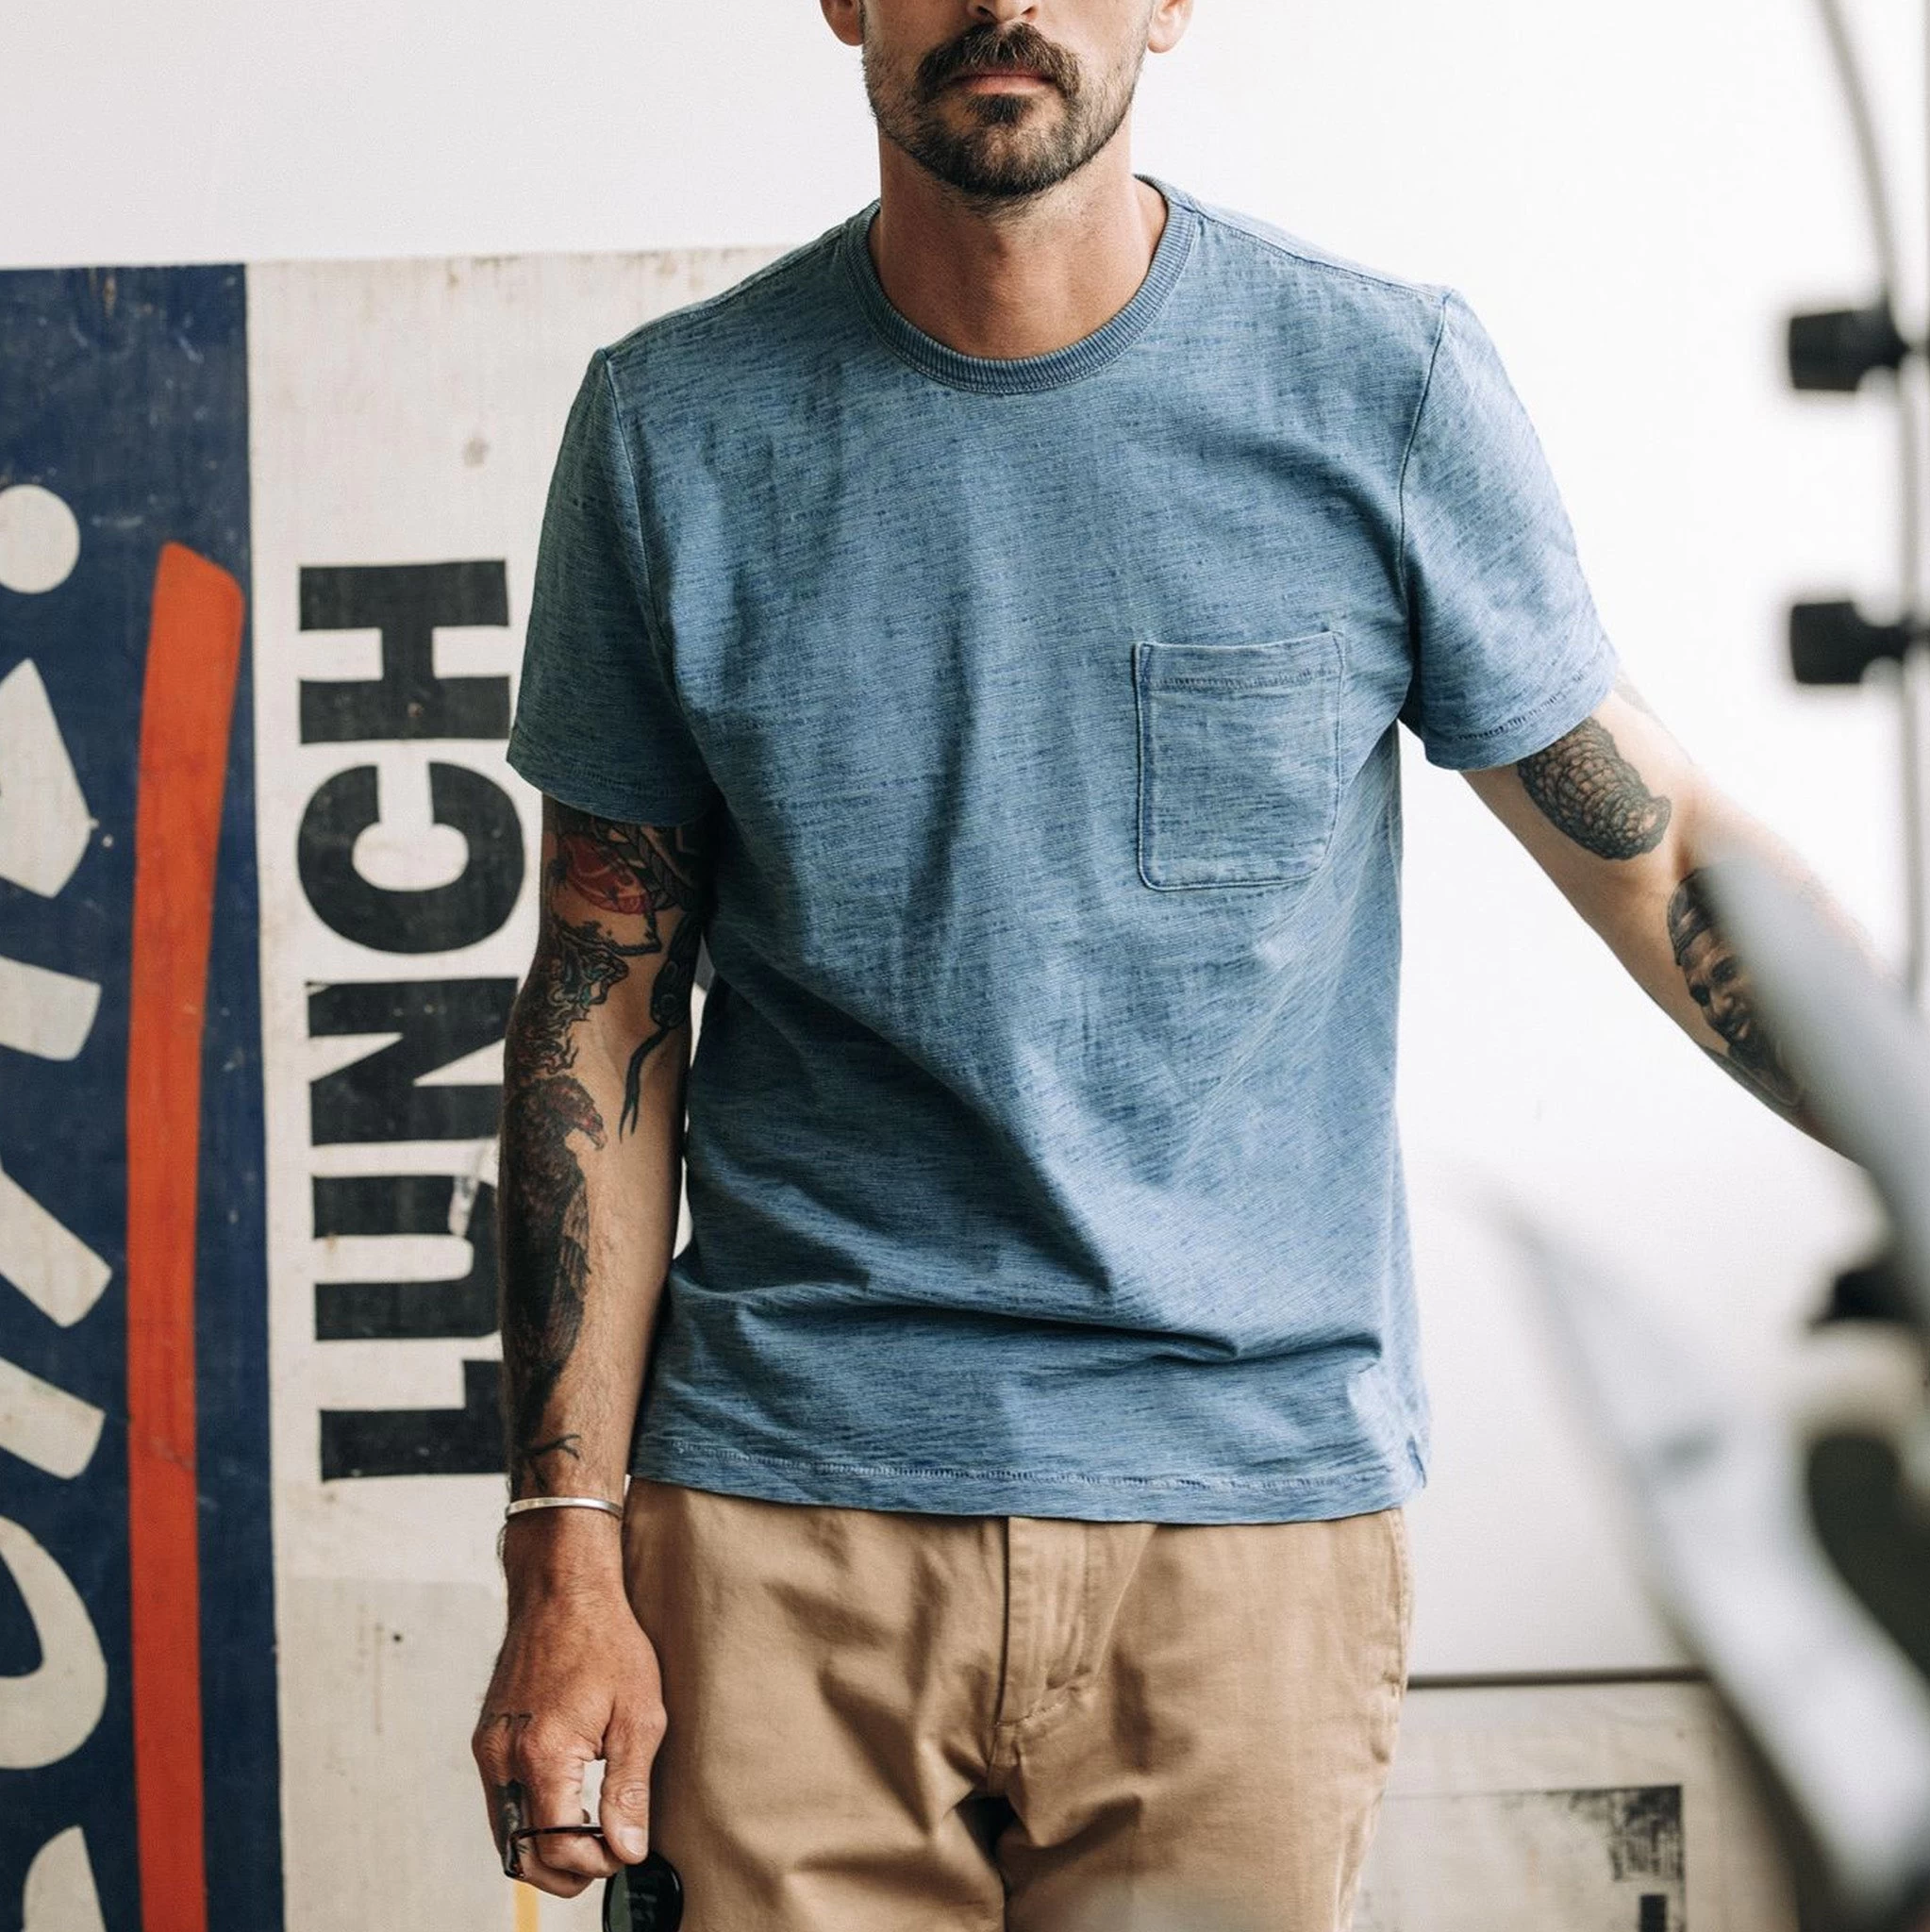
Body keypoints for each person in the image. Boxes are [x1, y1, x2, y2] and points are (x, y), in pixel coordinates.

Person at [471, 3, 1820, 1926]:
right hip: (784, 1523)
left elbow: (1657, 853)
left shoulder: (1378, 388)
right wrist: (562, 1551)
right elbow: (601, 999)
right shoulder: (673, 427)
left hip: (1244, 1536)